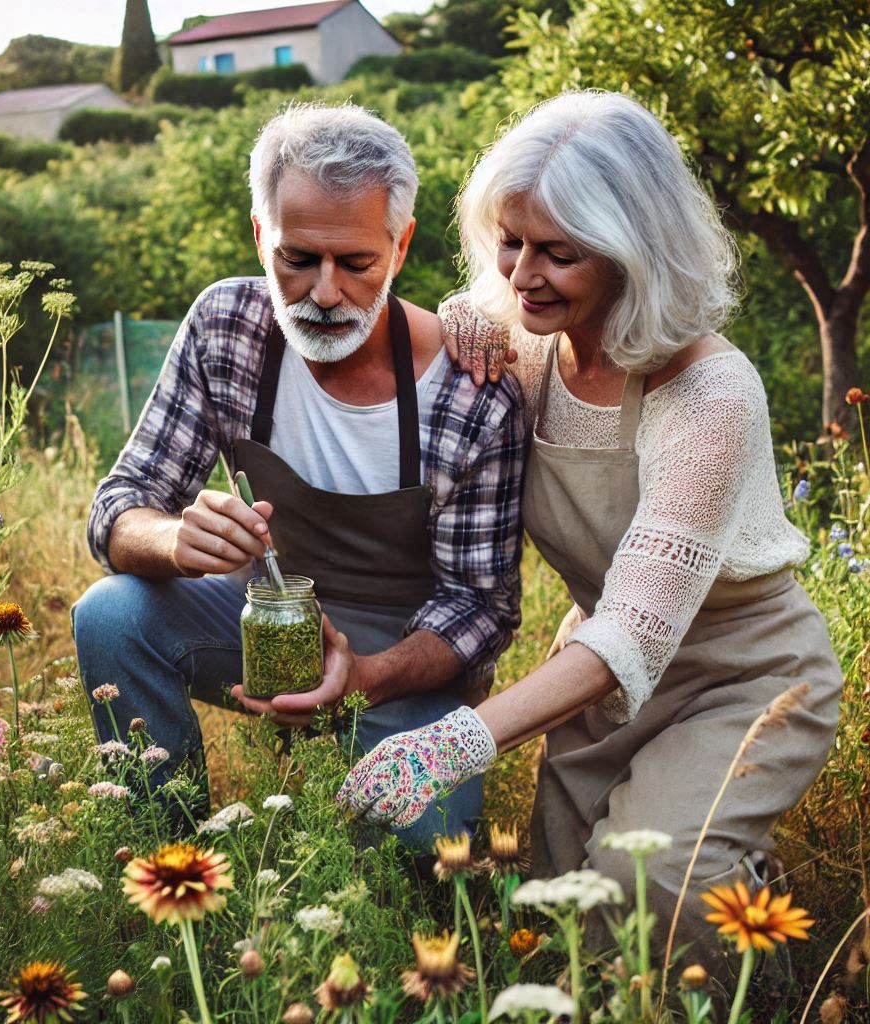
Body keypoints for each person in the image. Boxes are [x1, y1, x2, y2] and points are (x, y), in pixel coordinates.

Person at [337, 90, 842, 971]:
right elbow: (457, 316)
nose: (522, 274)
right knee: (561, 917)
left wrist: (451, 744)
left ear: (631, 252)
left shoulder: (712, 393)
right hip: (597, 685)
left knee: (650, 880)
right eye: (510, 241)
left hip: (742, 676)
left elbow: (635, 631)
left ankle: (767, 980)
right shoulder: (528, 345)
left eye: (559, 254)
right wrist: (462, 313)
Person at [73, 103, 526, 851]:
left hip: (402, 658)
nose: (324, 292)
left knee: (426, 846)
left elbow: (481, 610)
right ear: (261, 236)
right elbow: (118, 510)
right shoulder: (226, 327)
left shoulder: (469, 393)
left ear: (401, 245)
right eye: (297, 258)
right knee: (111, 614)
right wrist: (173, 540)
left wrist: (362, 678)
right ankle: (168, 857)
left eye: (356, 264)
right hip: (264, 620)